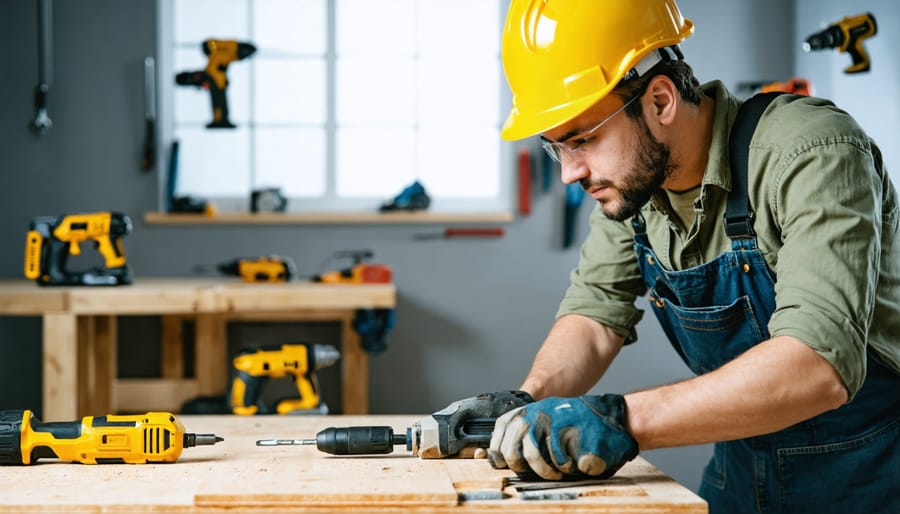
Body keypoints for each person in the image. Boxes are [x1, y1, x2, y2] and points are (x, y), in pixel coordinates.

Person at [446, 1, 900, 512]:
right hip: (742, 468)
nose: (570, 172)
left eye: (584, 139)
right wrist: (524, 404)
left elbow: (817, 367)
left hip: (872, 477)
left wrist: (621, 420)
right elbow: (596, 314)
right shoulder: (636, 191)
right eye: (557, 148)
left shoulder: (808, 151)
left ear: (660, 101)